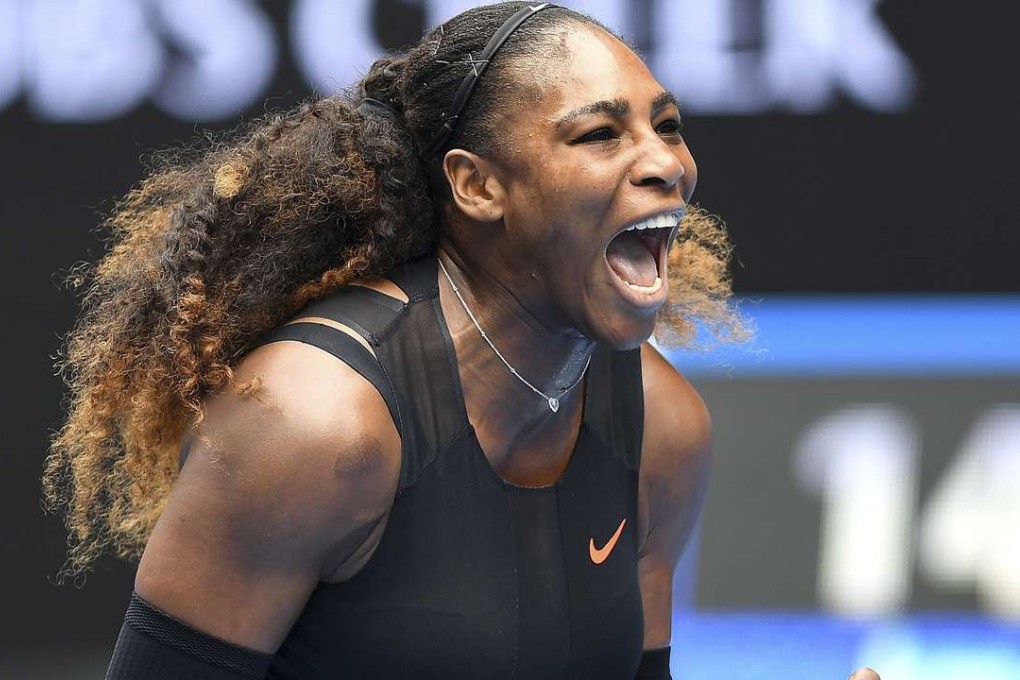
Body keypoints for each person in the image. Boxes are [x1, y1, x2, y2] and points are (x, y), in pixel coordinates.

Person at [44, 2, 880, 678]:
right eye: (600, 135)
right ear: (477, 185)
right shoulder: (313, 427)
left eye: (667, 126)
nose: (666, 162)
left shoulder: (663, 427)